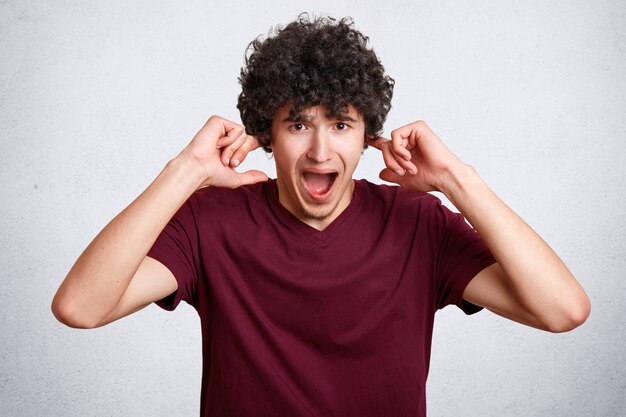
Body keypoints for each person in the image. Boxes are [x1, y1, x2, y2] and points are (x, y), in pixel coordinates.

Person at [51, 14, 590, 417]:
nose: (319, 152)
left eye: (339, 125)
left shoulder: (417, 224)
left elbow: (563, 310)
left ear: (366, 136)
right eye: (298, 125)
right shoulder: (210, 222)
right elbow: (80, 307)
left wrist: (457, 180)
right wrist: (184, 171)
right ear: (266, 135)